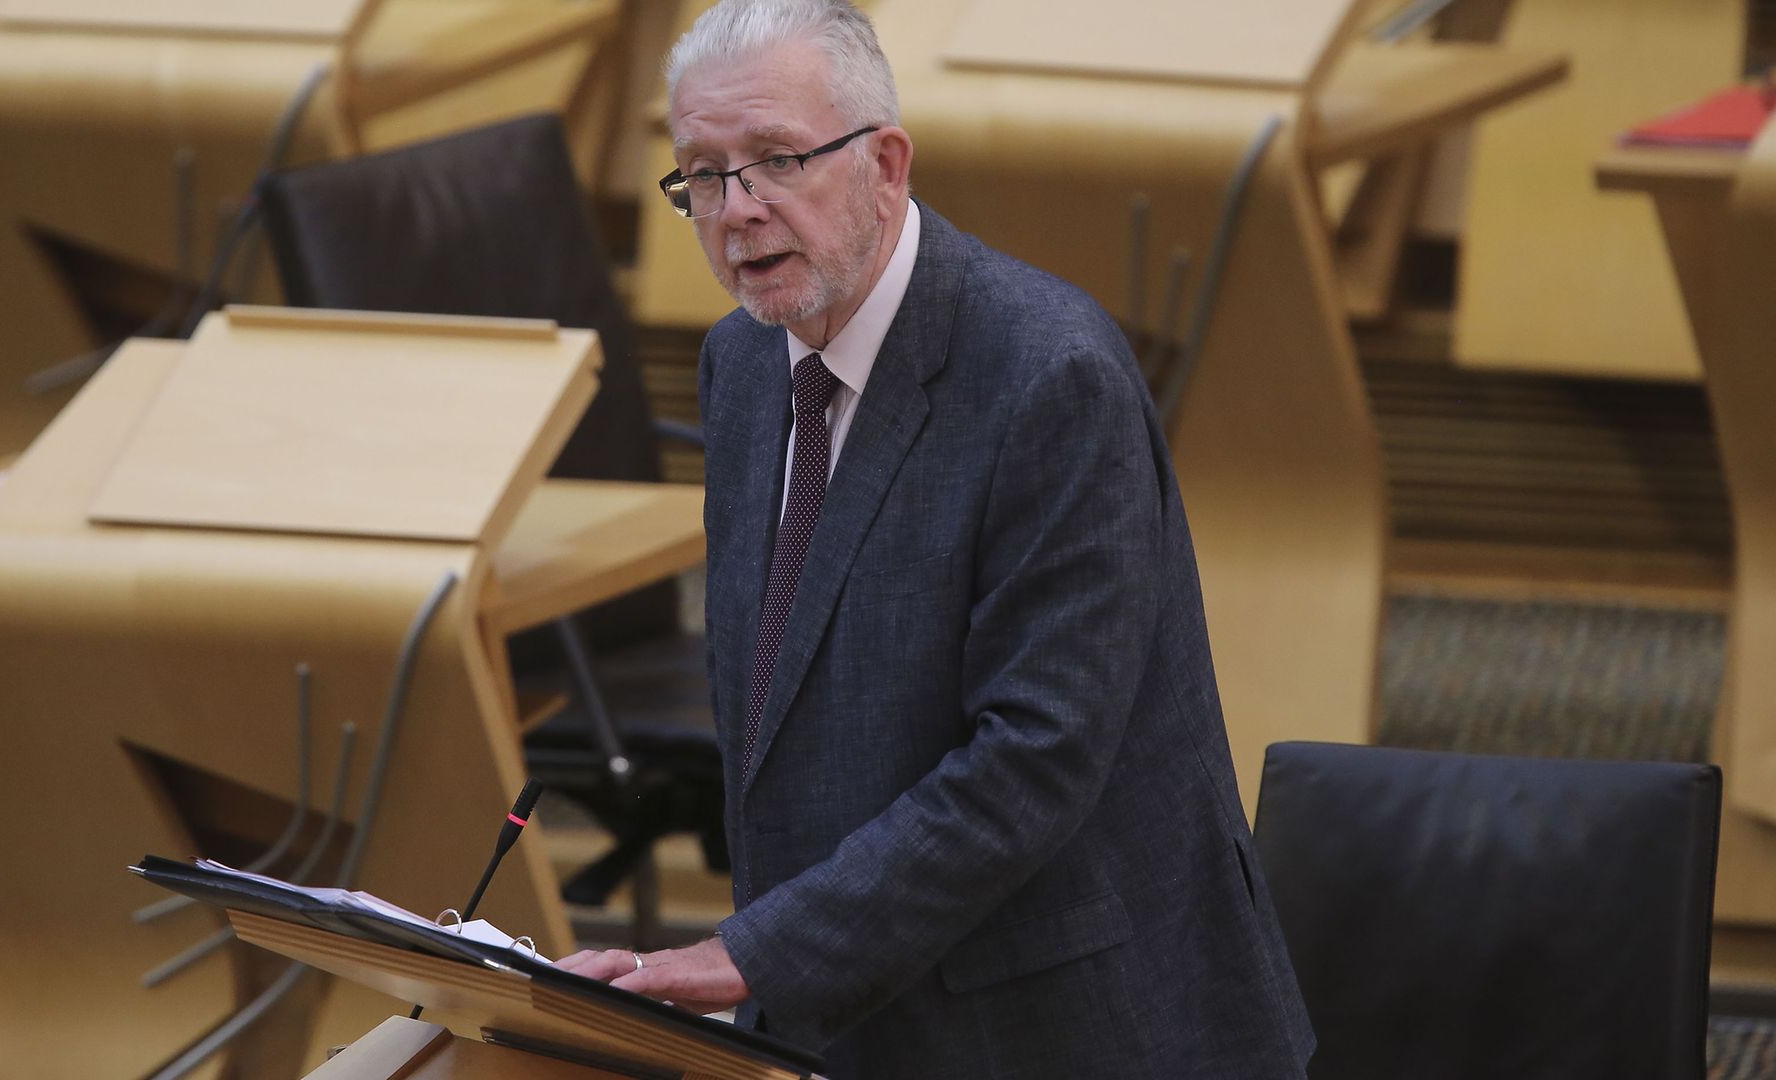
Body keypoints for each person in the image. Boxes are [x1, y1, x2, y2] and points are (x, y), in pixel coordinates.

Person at [557, 2, 1315, 1075]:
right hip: (851, 1006)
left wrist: (756, 953)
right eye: (704, 175)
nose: (738, 210)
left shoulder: (1050, 377)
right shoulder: (740, 365)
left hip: (1066, 1022)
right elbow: (774, 701)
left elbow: (1033, 759)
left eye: (776, 161)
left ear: (886, 163)